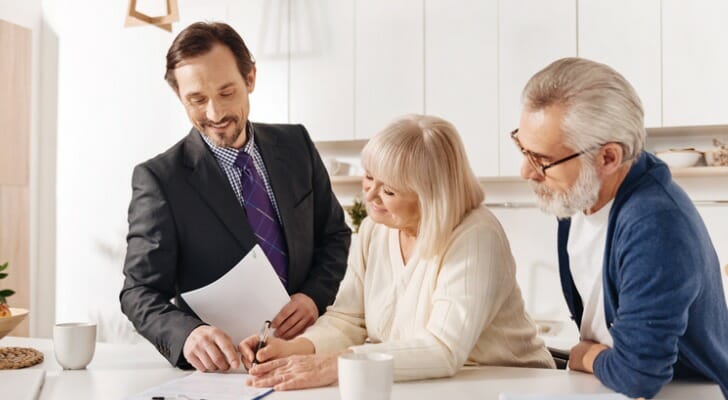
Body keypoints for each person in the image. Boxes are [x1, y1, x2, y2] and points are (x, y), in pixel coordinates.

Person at [239, 114, 555, 391]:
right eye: (369, 177)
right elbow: (348, 321)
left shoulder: (475, 235)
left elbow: (442, 349)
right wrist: (296, 349)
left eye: (388, 190)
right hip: (437, 388)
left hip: (511, 387)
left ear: (431, 196)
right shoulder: (377, 230)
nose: (371, 195)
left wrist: (336, 364)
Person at [119, 22, 351, 371]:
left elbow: (334, 236)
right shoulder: (159, 180)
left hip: (307, 353)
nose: (215, 114)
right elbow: (139, 293)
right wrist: (188, 335)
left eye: (227, 92)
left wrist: (313, 297)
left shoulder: (297, 145)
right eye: (196, 99)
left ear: (250, 79)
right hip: (225, 372)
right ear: (179, 96)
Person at [512, 57, 728, 398]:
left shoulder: (656, 225)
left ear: (609, 158)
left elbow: (639, 373)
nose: (526, 170)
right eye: (523, 147)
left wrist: (585, 354)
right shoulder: (577, 194)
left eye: (542, 159)